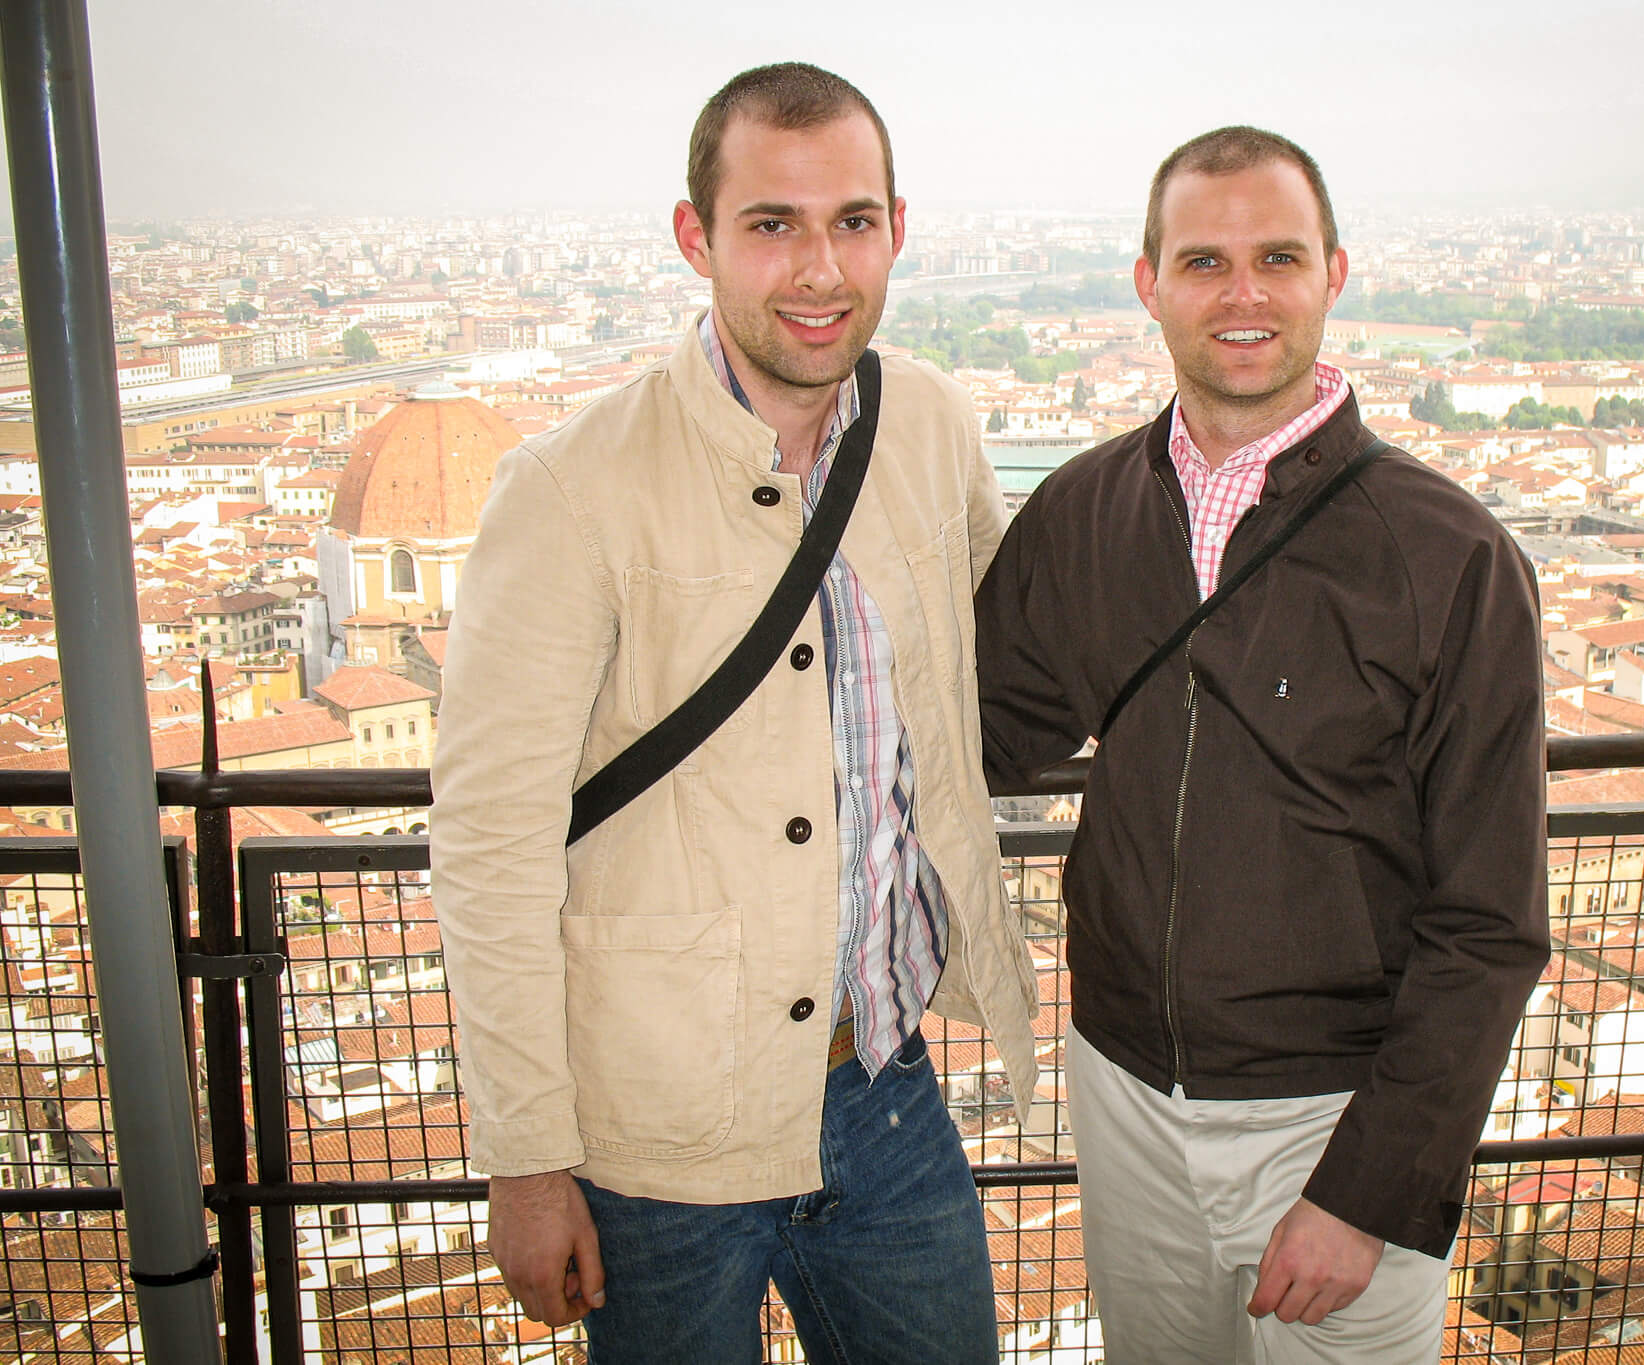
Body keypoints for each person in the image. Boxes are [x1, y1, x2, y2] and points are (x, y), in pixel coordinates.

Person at [431, 62, 1038, 1364]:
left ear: (896, 228)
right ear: (695, 237)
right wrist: (528, 1159)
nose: (821, 269)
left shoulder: (928, 422)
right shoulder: (571, 488)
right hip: (654, 1135)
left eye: (854, 223)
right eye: (774, 226)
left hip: (882, 1096)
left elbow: (1023, 646)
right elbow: (489, 845)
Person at [975, 126, 1551, 1364]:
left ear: (1332, 274)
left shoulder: (1449, 559)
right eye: (1203, 262)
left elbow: (1489, 919)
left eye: (1275, 257)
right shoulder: (1081, 510)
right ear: (1149, 284)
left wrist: (1367, 1190)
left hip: (1333, 1112)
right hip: (1122, 1084)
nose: (1241, 295)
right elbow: (981, 729)